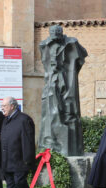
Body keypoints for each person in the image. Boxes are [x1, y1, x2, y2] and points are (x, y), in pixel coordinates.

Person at [38, 25, 87, 156]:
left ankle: (68, 146)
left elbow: (81, 58)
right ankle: (51, 144)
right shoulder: (44, 45)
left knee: (69, 110)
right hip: (51, 82)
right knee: (50, 111)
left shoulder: (72, 43)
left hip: (67, 80)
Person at [0, 97, 36, 188]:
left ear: (12, 106)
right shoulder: (6, 120)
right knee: (10, 183)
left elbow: (28, 141)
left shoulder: (24, 119)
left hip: (21, 159)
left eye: (4, 106)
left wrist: (28, 159)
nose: (2, 108)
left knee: (19, 181)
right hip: (7, 159)